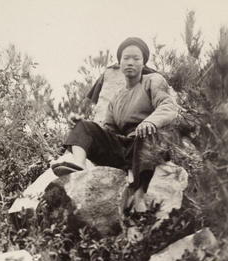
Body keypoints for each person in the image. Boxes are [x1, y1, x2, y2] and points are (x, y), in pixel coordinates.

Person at [52, 37, 178, 212]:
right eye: (126, 58)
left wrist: (150, 121)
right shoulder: (117, 98)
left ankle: (139, 195)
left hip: (148, 144)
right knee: (85, 126)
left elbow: (169, 106)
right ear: (119, 63)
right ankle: (78, 166)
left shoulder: (153, 81)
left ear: (143, 63)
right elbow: (108, 130)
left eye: (136, 58)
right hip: (124, 148)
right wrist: (87, 129)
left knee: (146, 134)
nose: (130, 63)